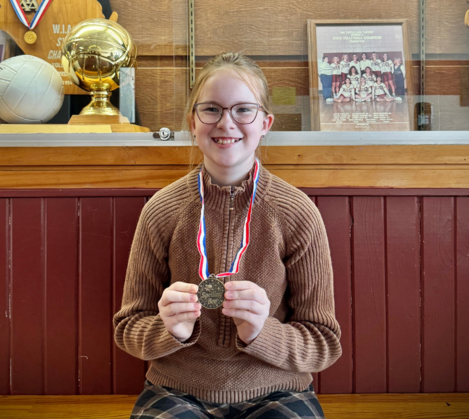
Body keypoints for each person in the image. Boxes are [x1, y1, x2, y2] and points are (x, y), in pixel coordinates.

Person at [113, 52, 342, 419]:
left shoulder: (298, 214)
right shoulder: (160, 211)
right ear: (193, 121)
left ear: (265, 122)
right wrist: (169, 329)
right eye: (212, 110)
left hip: (279, 390)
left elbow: (324, 344)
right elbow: (128, 329)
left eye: (242, 110)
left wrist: (260, 333)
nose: (226, 123)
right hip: (176, 390)